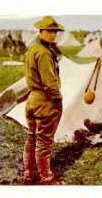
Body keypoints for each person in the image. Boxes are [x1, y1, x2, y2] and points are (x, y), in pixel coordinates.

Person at [23, 16, 64, 184]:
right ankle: (46, 177)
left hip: (32, 99)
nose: (53, 35)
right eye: (49, 31)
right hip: (45, 100)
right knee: (44, 141)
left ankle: (28, 173)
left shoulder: (33, 49)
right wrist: (57, 98)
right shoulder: (44, 53)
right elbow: (49, 83)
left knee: (32, 136)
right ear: (41, 31)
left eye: (55, 32)